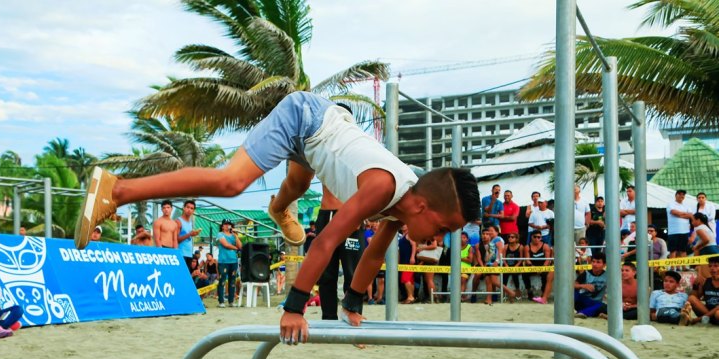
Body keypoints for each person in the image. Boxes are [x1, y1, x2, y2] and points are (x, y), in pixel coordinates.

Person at [74, 91, 480, 344]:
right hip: (303, 118)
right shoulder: (382, 187)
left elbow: (374, 254)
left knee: (298, 188)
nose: (437, 241)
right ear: (425, 207)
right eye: (443, 230)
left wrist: (352, 304)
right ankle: (118, 189)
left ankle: (277, 208)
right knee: (232, 182)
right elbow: (325, 241)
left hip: (322, 136)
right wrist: (294, 307)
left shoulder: (401, 207)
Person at [315, 185, 365, 318]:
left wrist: (361, 212)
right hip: (327, 213)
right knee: (326, 274)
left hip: (351, 212)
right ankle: (328, 317)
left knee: (353, 273)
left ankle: (353, 313)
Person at [574, 252, 608, 318]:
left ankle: (583, 313)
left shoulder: (607, 275)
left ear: (604, 265)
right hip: (583, 301)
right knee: (572, 292)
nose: (595, 264)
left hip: (597, 302)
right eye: (593, 261)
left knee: (604, 306)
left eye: (598, 262)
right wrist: (583, 286)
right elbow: (573, 285)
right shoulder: (586, 273)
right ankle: (591, 312)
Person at [216, 219, 241, 308]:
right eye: (225, 224)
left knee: (232, 281)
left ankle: (231, 301)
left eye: (229, 224)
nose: (227, 226)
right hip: (223, 261)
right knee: (222, 281)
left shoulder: (234, 235)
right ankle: (221, 301)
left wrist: (236, 236)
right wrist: (236, 249)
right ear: (222, 226)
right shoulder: (220, 234)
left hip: (233, 261)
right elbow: (225, 245)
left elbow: (240, 246)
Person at [525, 230, 554, 305]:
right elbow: (527, 260)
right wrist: (533, 267)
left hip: (543, 266)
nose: (537, 239)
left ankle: (543, 294)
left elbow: (548, 260)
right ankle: (529, 290)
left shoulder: (545, 246)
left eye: (539, 237)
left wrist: (542, 268)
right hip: (532, 266)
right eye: (535, 237)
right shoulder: (527, 246)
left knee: (545, 275)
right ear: (531, 237)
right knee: (524, 273)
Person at [688, 256, 719, 325]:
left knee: (718, 313)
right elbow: (696, 298)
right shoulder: (706, 281)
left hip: (717, 312)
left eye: (716, 266)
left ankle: (704, 318)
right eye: (710, 266)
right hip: (707, 310)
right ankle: (708, 318)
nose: (712, 268)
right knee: (691, 298)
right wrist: (696, 285)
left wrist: (697, 319)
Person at [667, 189, 693, 260]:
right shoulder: (671, 204)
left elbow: (691, 215)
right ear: (676, 195)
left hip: (684, 231)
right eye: (680, 194)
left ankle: (684, 267)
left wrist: (680, 214)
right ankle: (672, 268)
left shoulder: (687, 205)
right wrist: (684, 214)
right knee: (673, 250)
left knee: (683, 250)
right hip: (673, 231)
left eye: (683, 194)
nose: (682, 196)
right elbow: (673, 212)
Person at [175, 200, 201, 264]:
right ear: (183, 208)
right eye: (187, 207)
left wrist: (193, 234)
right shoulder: (178, 221)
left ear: (193, 211)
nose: (189, 210)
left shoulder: (190, 222)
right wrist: (189, 234)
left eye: (191, 208)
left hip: (189, 253)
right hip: (181, 253)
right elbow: (176, 239)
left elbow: (188, 236)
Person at [398, 225, 417, 304]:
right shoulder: (403, 235)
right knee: (410, 279)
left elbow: (414, 245)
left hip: (408, 260)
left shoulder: (410, 234)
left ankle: (410, 297)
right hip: (403, 260)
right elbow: (400, 250)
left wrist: (412, 257)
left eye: (404, 225)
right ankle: (411, 296)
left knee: (405, 278)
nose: (402, 226)